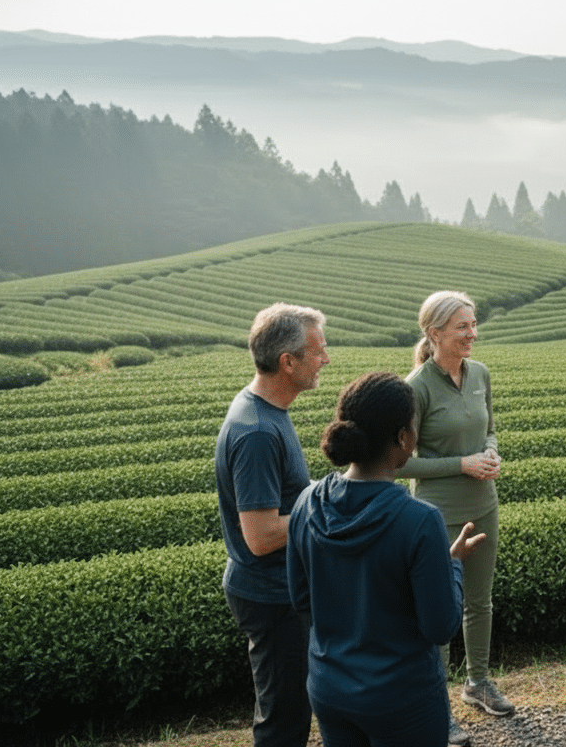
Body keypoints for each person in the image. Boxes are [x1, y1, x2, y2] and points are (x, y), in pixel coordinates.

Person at [288, 372, 486, 747]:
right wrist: (453, 564)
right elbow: (440, 626)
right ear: (402, 437)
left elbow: (301, 599)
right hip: (403, 698)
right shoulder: (419, 520)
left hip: (330, 689)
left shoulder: (307, 502)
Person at [395, 291, 511, 745]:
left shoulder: (480, 374)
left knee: (479, 600)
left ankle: (477, 683)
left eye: (473, 324)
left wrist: (492, 453)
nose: (472, 334)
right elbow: (399, 462)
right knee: (441, 611)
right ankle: (435, 707)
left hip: (484, 503)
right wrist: (461, 464)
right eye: (462, 327)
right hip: (438, 514)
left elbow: (490, 429)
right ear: (435, 333)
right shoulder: (415, 387)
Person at [215, 302, 330, 747]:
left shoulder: (264, 409)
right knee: (283, 719)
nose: (326, 359)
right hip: (270, 592)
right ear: (288, 361)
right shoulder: (259, 431)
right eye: (318, 351)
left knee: (291, 707)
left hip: (279, 589)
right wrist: (322, 504)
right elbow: (260, 537)